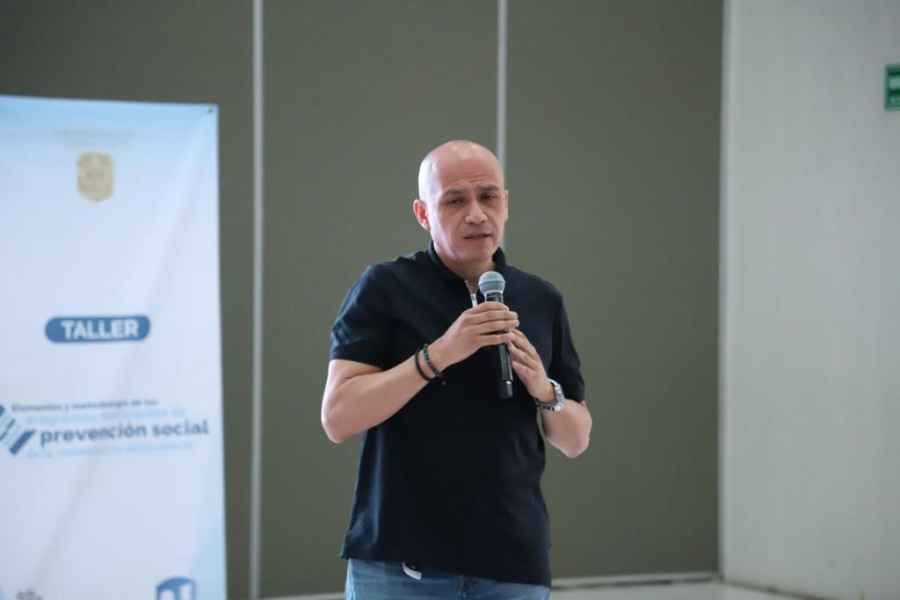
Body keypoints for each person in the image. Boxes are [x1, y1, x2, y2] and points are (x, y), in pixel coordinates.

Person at [322, 140, 592, 599]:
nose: (476, 214)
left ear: (506, 204)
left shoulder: (540, 299)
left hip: (512, 567)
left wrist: (544, 389)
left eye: (488, 197)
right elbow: (338, 418)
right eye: (454, 201)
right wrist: (439, 355)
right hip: (402, 567)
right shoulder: (385, 288)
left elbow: (576, 439)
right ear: (423, 214)